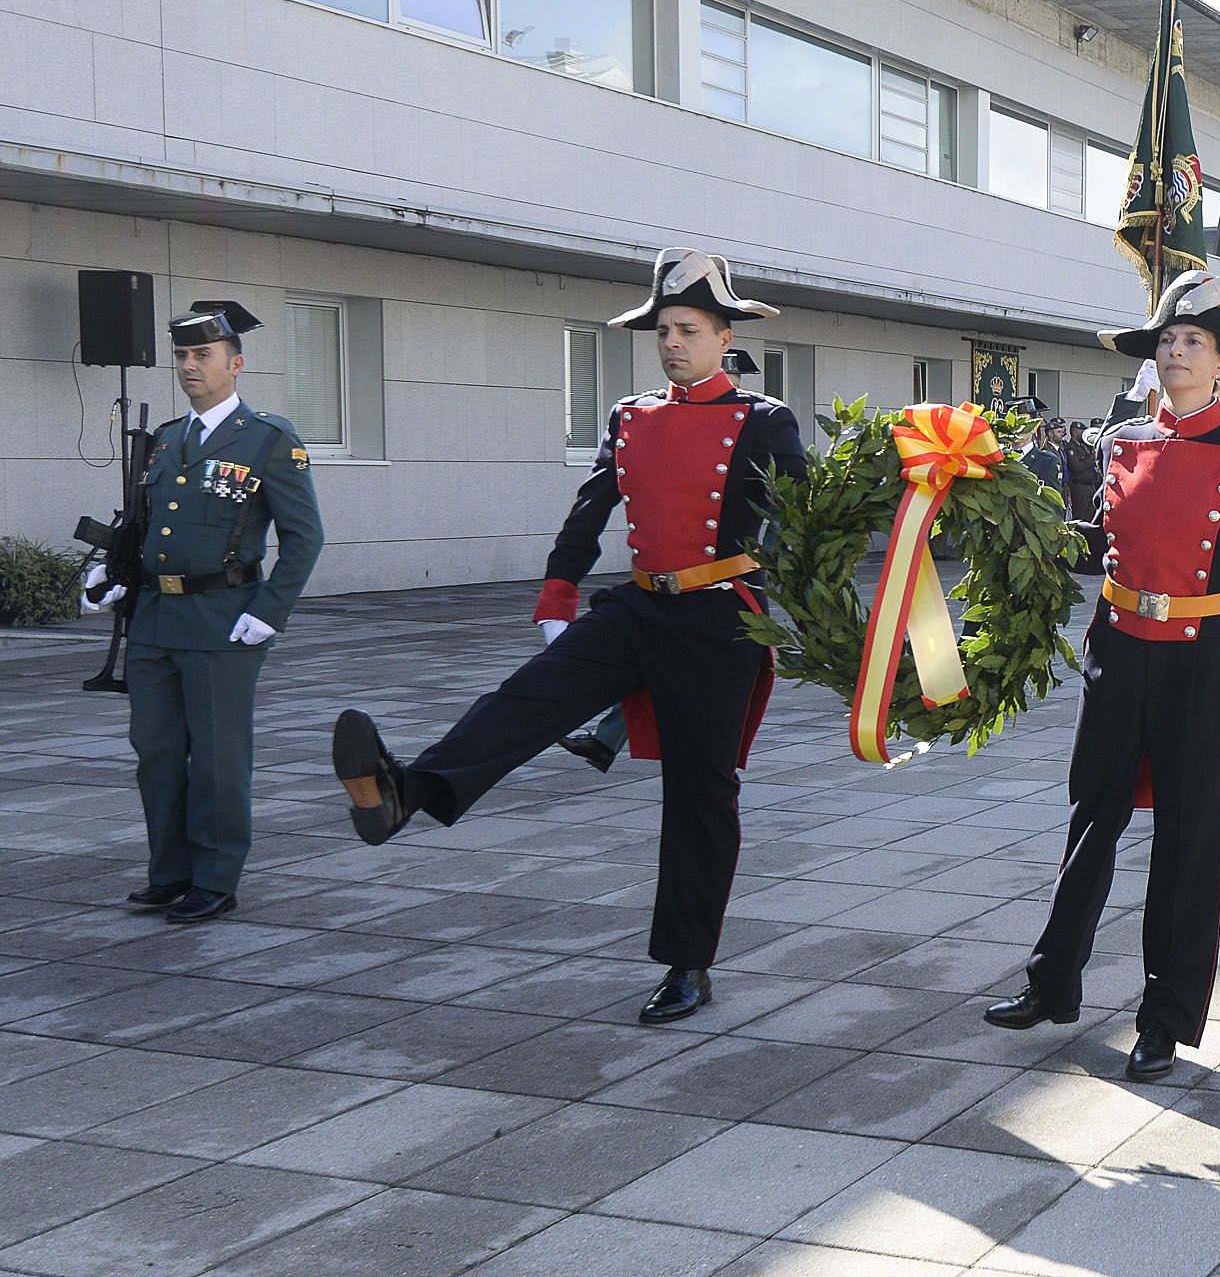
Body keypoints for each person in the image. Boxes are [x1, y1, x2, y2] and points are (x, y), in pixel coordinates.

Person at [328, 248, 803, 1023]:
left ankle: (687, 963)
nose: (671, 343)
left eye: (686, 329)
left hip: (718, 620)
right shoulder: (630, 413)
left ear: (725, 339)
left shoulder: (764, 420)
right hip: (638, 605)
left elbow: (803, 523)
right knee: (526, 698)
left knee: (700, 794)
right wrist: (557, 591)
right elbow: (591, 510)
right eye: (662, 332)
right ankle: (406, 791)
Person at [982, 271, 1220, 1081]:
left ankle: (1164, 1015)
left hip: (1202, 659)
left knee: (1189, 843)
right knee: (1091, 816)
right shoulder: (1124, 441)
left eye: (1193, 340)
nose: (1176, 350)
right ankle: (1052, 982)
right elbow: (1102, 542)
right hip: (1117, 646)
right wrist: (996, 502)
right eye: (1166, 338)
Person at [78, 301, 324, 925]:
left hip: (224, 617)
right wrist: (112, 573)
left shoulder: (269, 439)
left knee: (217, 754)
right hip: (157, 618)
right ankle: (171, 873)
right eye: (183, 356)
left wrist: (269, 612)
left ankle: (214, 878)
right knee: (156, 750)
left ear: (235, 364)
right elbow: (145, 527)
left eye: (203, 355)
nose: (190, 366)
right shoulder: (166, 439)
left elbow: (305, 538)